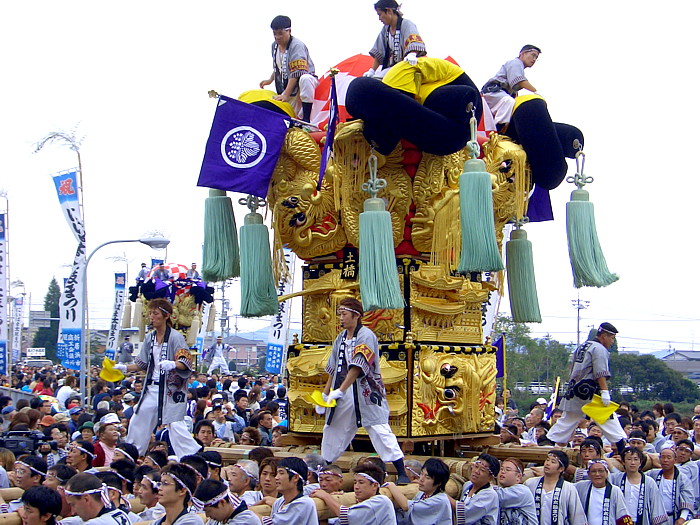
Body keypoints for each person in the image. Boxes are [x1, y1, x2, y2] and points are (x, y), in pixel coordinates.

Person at [317, 297, 409, 483]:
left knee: (379, 429)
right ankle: (324, 468)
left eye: (344, 314)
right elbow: (333, 369)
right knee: (332, 427)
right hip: (343, 391)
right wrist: (325, 394)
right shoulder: (340, 338)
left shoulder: (366, 335)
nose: (341, 318)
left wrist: (340, 390)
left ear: (356, 315)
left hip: (366, 392)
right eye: (340, 314)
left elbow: (358, 367)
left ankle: (402, 472)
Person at [115, 298, 201, 458]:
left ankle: (191, 455)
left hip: (171, 388)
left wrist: (174, 364)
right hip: (152, 387)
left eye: (155, 313)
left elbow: (186, 361)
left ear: (166, 315)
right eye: (150, 313)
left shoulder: (176, 337)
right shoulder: (150, 338)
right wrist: (125, 367)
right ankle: (132, 453)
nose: (152, 317)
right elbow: (142, 363)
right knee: (139, 418)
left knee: (175, 423)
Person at [548, 323, 628, 455]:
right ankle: (623, 451)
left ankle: (546, 445)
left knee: (566, 421)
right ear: (604, 336)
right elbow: (600, 373)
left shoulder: (582, 347)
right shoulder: (600, 349)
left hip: (574, 389)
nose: (612, 342)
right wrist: (605, 391)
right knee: (609, 420)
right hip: (590, 391)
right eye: (612, 338)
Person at [259, 15, 318, 122]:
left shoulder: (297, 46)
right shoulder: (274, 46)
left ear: (289, 31)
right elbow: (280, 67)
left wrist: (286, 94)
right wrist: (270, 80)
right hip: (286, 89)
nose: (277, 37)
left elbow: (296, 74)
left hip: (302, 87)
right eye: (275, 34)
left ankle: (307, 119)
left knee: (305, 79)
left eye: (280, 33)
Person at [314, 461, 397, 524]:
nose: (356, 487)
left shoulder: (381, 501)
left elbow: (346, 516)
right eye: (355, 482)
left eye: (361, 482)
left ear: (375, 486)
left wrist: (326, 497)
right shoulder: (366, 502)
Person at [481, 45, 541, 128]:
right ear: (523, 54)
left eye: (536, 57)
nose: (534, 59)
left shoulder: (519, 67)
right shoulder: (515, 63)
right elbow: (519, 80)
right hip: (493, 92)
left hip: (498, 96)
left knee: (512, 105)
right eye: (533, 55)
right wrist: (535, 91)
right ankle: (497, 131)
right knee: (509, 102)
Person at [366, 0, 425, 79]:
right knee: (372, 81)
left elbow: (414, 41)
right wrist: (372, 70)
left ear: (389, 11)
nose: (379, 18)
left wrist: (412, 54)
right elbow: (379, 52)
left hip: (407, 68)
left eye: (380, 14)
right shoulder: (385, 30)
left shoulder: (406, 24)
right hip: (391, 69)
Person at [525, 450, 588, 525]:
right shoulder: (530, 483)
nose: (548, 463)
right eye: (547, 460)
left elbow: (576, 516)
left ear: (561, 469)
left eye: (553, 462)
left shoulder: (569, 488)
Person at [609, 447, 668, 525]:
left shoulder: (649, 482)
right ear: (623, 462)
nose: (632, 463)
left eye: (636, 459)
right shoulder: (616, 479)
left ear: (640, 462)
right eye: (629, 459)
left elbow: (656, 504)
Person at [385, 457, 451, 525]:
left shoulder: (440, 500)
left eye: (427, 477)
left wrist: (391, 486)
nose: (421, 479)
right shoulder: (421, 494)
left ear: (439, 483)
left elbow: (406, 506)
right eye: (422, 474)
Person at [260, 457, 319, 524]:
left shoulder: (304, 503)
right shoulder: (279, 501)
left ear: (295, 477)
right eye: (277, 473)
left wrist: (248, 511)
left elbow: (272, 523)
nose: (276, 477)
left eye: (281, 473)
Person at [574, 460, 633, 525]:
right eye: (593, 471)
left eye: (600, 471)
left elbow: (622, 514)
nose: (597, 474)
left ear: (607, 473)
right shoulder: (581, 487)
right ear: (588, 474)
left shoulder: (615, 491)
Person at [647, 448, 694, 525]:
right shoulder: (653, 474)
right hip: (655, 517)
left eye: (669, 457)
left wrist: (682, 518)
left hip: (674, 517)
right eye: (663, 457)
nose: (665, 460)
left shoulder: (682, 478)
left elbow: (687, 499)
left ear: (675, 460)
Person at [63, 472, 131, 525]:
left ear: (86, 499)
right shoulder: (120, 513)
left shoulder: (94, 523)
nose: (73, 512)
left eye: (73, 504)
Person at [454, 454, 500, 525]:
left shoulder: (490, 495)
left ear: (490, 478)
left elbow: (466, 513)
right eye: (476, 467)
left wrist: (445, 498)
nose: (476, 472)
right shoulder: (467, 485)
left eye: (482, 470)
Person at [193, 479, 260, 525]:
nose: (207, 515)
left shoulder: (246, 520)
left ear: (222, 502)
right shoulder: (218, 519)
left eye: (208, 511)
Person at [495, 457, 538, 525]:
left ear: (518, 476)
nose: (502, 472)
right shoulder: (500, 489)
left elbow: (496, 496)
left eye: (507, 470)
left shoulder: (522, 491)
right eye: (501, 469)